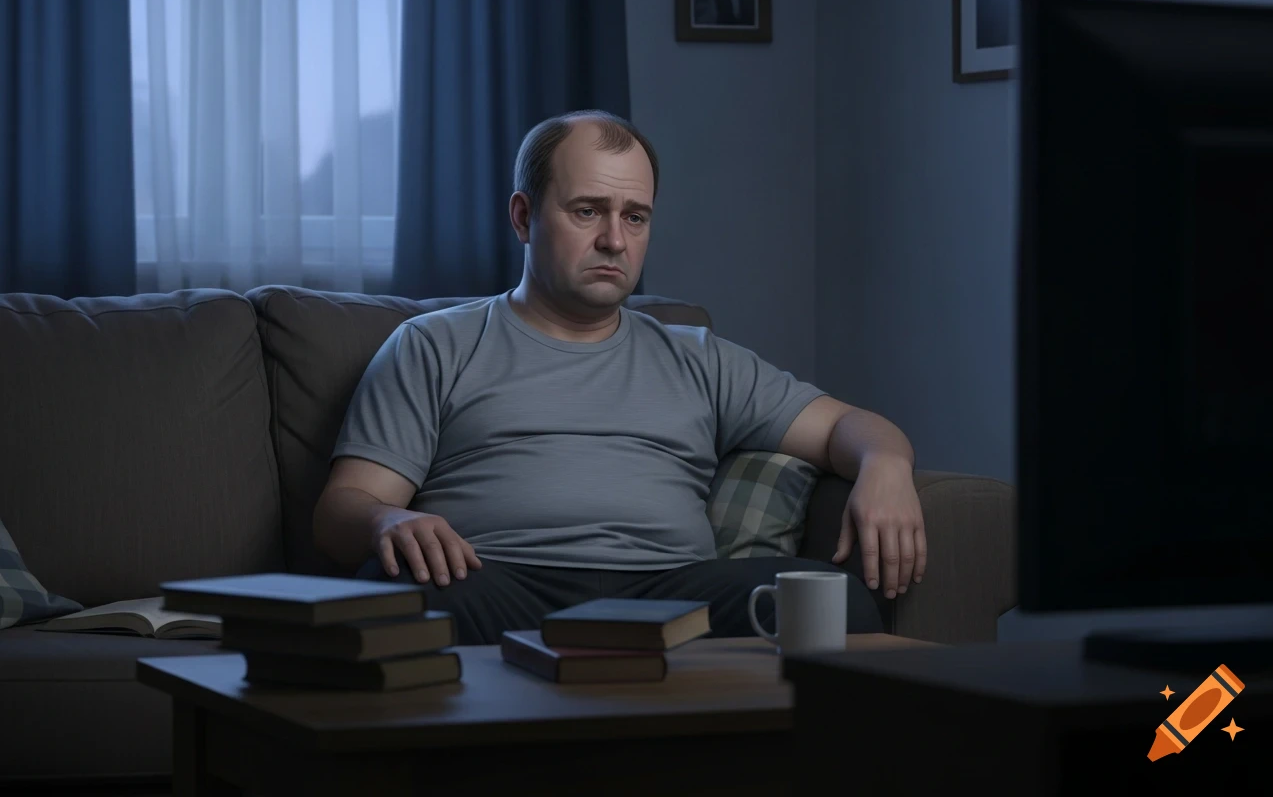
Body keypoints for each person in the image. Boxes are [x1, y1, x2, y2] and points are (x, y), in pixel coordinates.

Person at [312, 110, 927, 646]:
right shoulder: (435, 344)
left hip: (671, 594)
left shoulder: (698, 357)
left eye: (635, 217)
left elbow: (850, 426)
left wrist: (887, 466)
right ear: (523, 217)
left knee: (832, 597)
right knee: (390, 601)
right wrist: (385, 520)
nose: (614, 240)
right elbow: (342, 511)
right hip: (495, 581)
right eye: (588, 211)